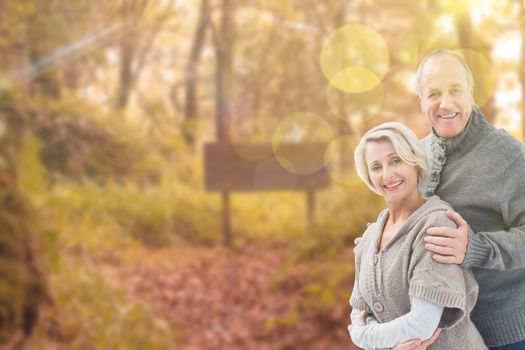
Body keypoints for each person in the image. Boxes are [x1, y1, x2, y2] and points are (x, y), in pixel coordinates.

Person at [348, 122, 486, 349]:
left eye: (396, 160)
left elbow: (422, 326)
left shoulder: (437, 224)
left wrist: (363, 338)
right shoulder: (371, 235)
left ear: (414, 162)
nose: (387, 175)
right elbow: (358, 312)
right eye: (376, 167)